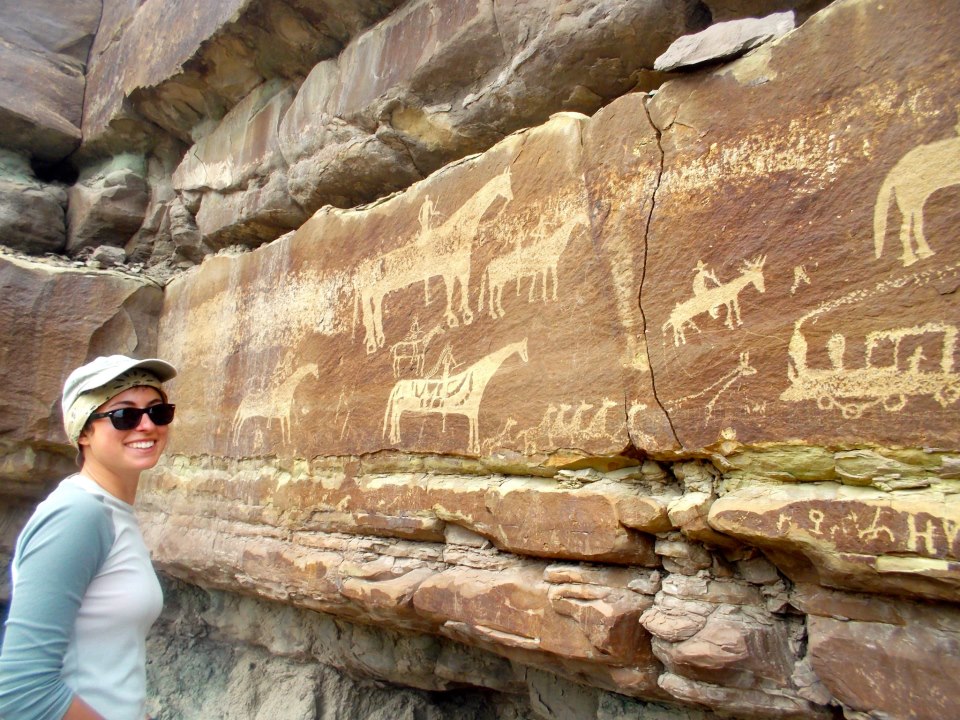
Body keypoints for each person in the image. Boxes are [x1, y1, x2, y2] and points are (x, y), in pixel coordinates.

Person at [0, 355, 177, 720]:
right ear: (84, 432)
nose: (146, 425)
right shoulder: (78, 515)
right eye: (124, 415)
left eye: (157, 411)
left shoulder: (112, 513)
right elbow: (21, 690)